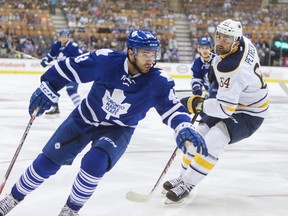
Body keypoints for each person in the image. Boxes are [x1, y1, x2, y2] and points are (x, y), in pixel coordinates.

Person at [0, 30, 208, 216]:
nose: (150, 60)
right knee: (47, 163)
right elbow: (69, 68)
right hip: (84, 119)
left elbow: (171, 108)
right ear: (131, 52)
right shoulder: (105, 60)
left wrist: (183, 126)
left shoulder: (158, 81)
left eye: (153, 54)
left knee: (95, 163)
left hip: (119, 129)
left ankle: (70, 210)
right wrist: (49, 86)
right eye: (145, 54)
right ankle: (11, 199)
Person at [162, 19, 270, 203]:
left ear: (236, 42)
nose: (219, 43)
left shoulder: (235, 69)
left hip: (250, 112)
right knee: (199, 134)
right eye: (218, 37)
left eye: (226, 40)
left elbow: (225, 109)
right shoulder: (244, 42)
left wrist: (197, 104)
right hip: (238, 99)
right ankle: (182, 176)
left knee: (214, 139)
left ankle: (188, 183)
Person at [40, 29, 83, 115]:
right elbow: (49, 57)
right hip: (61, 73)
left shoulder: (73, 47)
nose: (63, 38)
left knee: (71, 90)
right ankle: (55, 108)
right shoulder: (56, 46)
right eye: (62, 37)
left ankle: (82, 110)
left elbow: (80, 60)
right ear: (59, 37)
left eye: (65, 37)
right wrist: (44, 60)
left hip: (72, 73)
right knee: (50, 88)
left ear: (68, 38)